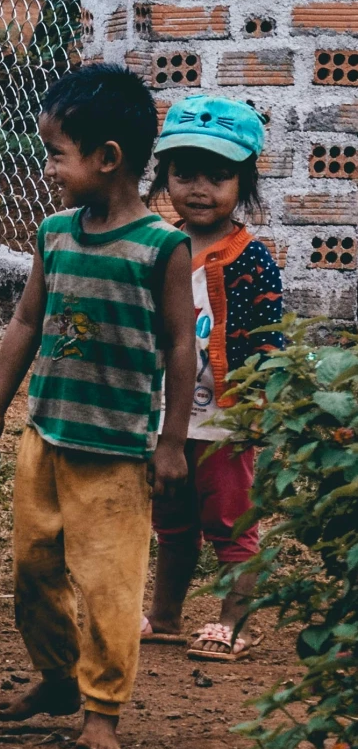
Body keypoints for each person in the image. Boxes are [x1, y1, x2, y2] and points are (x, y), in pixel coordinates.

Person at [0, 64, 196, 749]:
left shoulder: (162, 248)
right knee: (33, 568)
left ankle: (102, 705)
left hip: (119, 451)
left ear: (107, 158)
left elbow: (183, 346)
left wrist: (172, 441)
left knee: (109, 584)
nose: (47, 169)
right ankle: (58, 677)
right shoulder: (56, 233)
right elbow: (25, 323)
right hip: (48, 435)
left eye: (56, 154)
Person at [142, 93, 280, 663]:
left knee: (230, 523)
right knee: (171, 521)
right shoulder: (158, 246)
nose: (199, 188)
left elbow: (267, 343)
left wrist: (255, 411)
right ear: (165, 177)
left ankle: (233, 624)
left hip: (225, 417)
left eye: (218, 175)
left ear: (242, 183)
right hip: (167, 416)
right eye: (185, 173)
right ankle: (168, 615)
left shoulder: (250, 259)